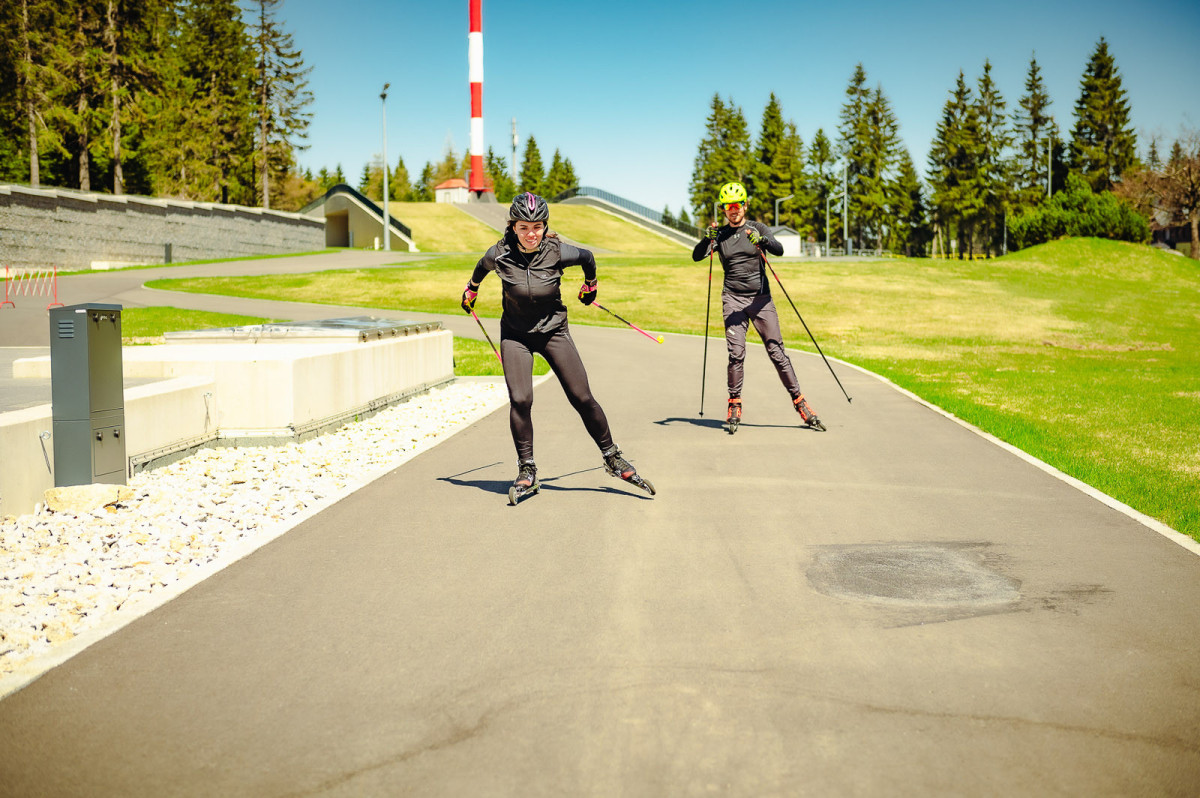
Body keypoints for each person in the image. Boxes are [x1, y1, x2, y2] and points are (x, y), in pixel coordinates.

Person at [461, 191, 655, 503]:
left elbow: (588, 258)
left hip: (554, 332)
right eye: (523, 227)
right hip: (516, 336)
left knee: (582, 397)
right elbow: (480, 270)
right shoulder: (498, 254)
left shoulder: (557, 252)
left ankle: (613, 458)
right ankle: (527, 469)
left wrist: (589, 287)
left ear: (545, 225)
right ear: (512, 227)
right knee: (520, 399)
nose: (531, 234)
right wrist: (471, 291)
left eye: (537, 227)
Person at [691, 181, 826, 432]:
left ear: (746, 205)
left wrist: (761, 239)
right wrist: (705, 239)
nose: (734, 210)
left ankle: (800, 402)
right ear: (723, 210)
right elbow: (697, 256)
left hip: (761, 299)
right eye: (728, 206)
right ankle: (734, 403)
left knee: (777, 352)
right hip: (733, 300)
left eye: (738, 205)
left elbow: (779, 250)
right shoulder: (719, 235)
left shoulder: (757, 228)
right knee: (736, 354)